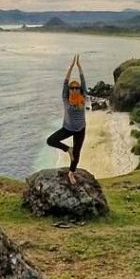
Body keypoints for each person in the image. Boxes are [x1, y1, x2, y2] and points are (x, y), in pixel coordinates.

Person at [46, 53, 87, 185]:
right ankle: (67, 149)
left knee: (77, 153)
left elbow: (83, 80)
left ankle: (71, 172)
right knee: (50, 140)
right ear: (69, 89)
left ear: (79, 89)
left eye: (77, 88)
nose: (74, 89)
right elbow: (65, 82)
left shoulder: (83, 97)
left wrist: (79, 66)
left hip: (80, 129)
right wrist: (71, 66)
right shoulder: (65, 99)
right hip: (68, 128)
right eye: (72, 88)